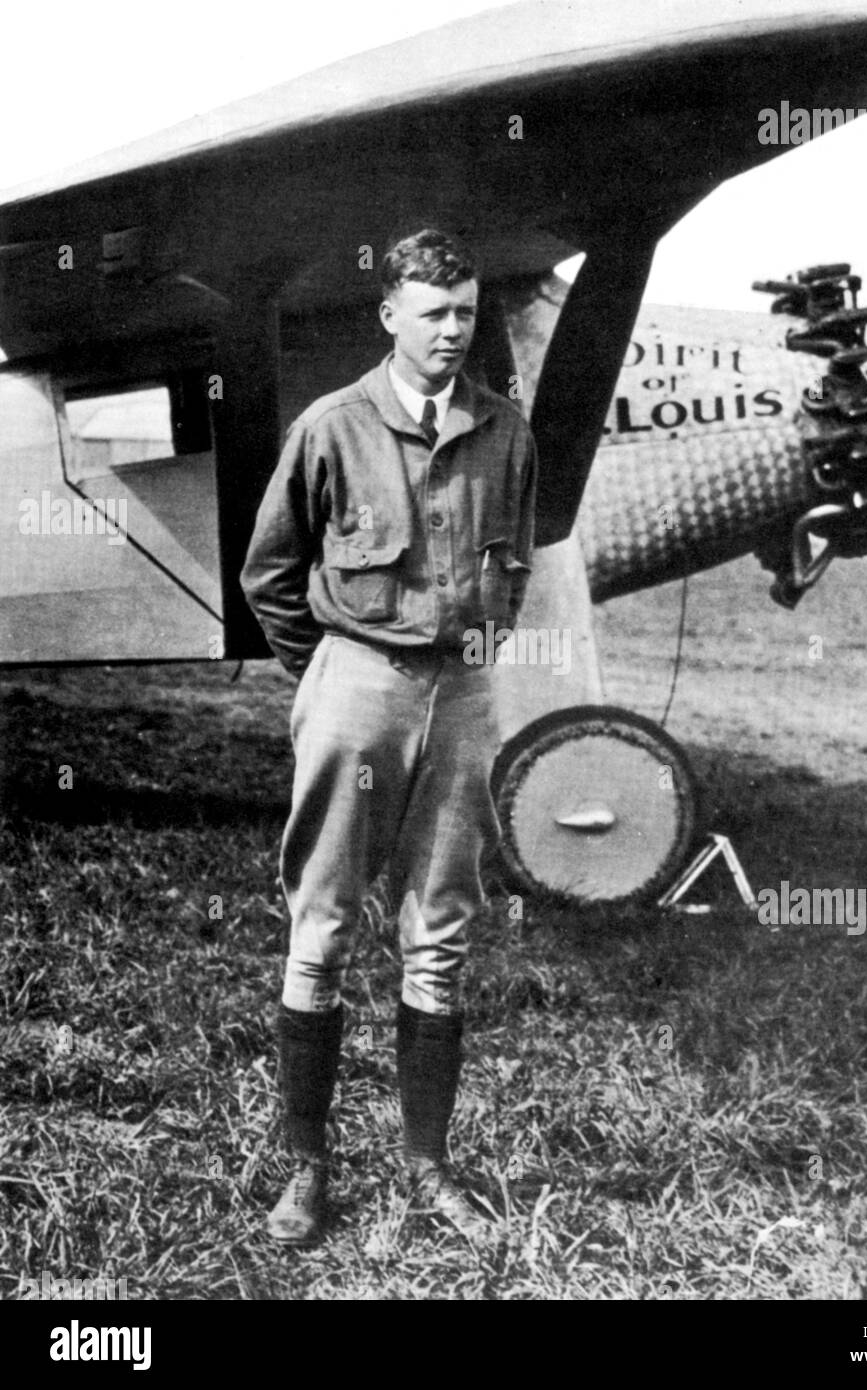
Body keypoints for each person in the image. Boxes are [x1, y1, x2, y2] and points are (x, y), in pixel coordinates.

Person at [241, 229, 537, 1245]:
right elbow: (270, 574)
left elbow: (518, 565)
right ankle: (307, 1170)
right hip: (358, 681)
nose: (453, 330)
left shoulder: (505, 430)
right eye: (434, 312)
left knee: (442, 931)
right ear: (390, 316)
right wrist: (328, 675)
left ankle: (427, 1166)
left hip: (461, 695)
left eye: (466, 312)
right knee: (321, 924)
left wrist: (479, 664)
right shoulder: (332, 427)